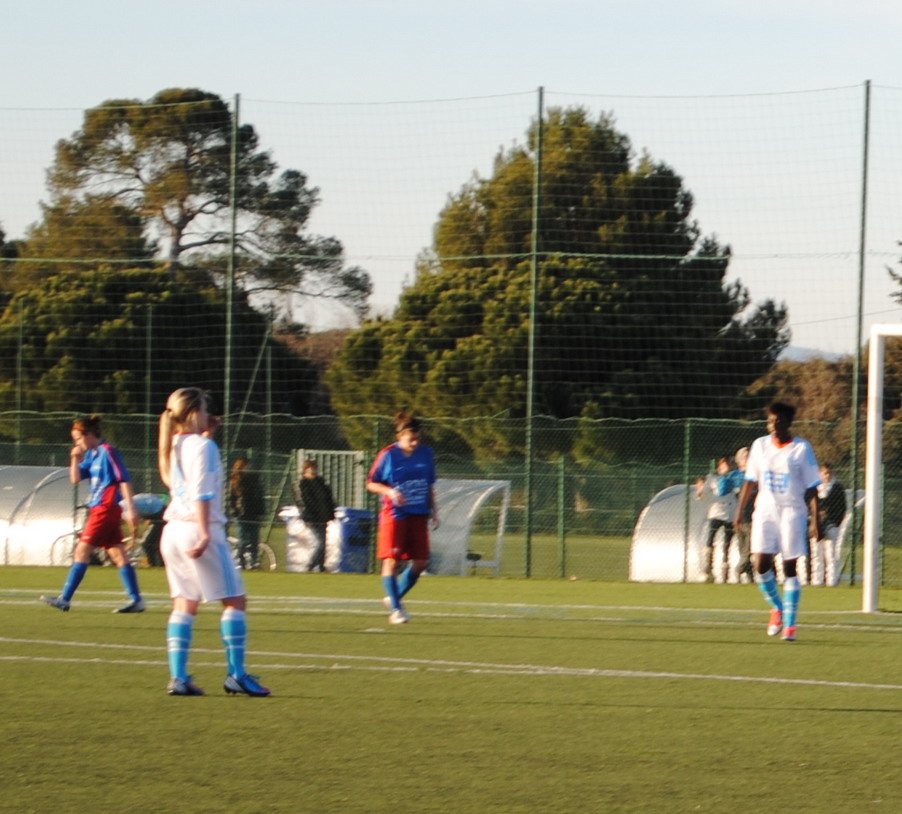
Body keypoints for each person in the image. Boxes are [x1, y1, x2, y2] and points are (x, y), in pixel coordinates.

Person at [158, 387, 270, 697]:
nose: (210, 414)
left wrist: (207, 434)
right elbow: (202, 493)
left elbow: (180, 481)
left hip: (172, 532)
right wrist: (207, 533)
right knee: (235, 600)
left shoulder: (175, 442)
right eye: (206, 409)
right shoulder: (203, 447)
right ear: (194, 412)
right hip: (198, 529)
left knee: (184, 604)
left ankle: (178, 678)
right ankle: (237, 674)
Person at [735, 402, 823, 642]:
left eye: (778, 421)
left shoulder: (801, 449)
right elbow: (750, 481)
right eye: (770, 421)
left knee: (789, 567)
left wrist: (816, 520)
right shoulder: (759, 446)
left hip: (792, 510)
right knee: (760, 564)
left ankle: (791, 627)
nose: (773, 425)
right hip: (764, 509)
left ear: (788, 423)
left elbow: (813, 488)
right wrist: (739, 512)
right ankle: (778, 608)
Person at [41, 415, 144, 613]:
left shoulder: (107, 451)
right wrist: (74, 457)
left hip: (105, 509)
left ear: (89, 434)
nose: (77, 442)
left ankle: (65, 599)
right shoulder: (92, 455)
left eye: (78, 438)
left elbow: (124, 479)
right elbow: (75, 478)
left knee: (82, 551)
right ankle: (137, 600)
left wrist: (131, 508)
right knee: (118, 553)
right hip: (101, 510)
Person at [367, 412, 439, 624]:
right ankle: (396, 610)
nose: (415, 442)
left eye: (418, 437)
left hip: (419, 514)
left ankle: (394, 597)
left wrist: (435, 510)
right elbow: (371, 483)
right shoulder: (388, 455)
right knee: (392, 561)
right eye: (411, 438)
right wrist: (389, 492)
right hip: (395, 515)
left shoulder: (426, 454)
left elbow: (429, 485)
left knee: (421, 562)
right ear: (400, 436)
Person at [695, 456, 743, 583]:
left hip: (731, 513)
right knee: (710, 540)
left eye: (728, 465)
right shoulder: (712, 478)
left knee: (727, 542)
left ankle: (725, 570)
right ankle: (707, 568)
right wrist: (699, 490)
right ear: (719, 466)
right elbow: (703, 493)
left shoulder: (735, 477)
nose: (726, 467)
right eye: (723, 465)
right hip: (716, 513)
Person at [809, 464, 848, 587]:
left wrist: (835, 522)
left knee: (831, 554)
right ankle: (817, 580)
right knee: (816, 554)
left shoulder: (837, 488)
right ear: (820, 473)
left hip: (831, 524)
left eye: (829, 473)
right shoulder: (815, 488)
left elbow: (842, 507)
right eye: (825, 473)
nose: (827, 476)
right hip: (817, 525)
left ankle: (832, 581)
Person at [228, 457, 267, 570]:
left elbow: (259, 497)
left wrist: (261, 511)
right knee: (243, 539)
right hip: (242, 514)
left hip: (254, 513)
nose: (249, 468)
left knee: (254, 539)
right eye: (246, 466)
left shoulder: (254, 479)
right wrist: (235, 511)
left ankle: (254, 561)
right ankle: (241, 561)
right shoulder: (235, 480)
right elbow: (231, 499)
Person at [298, 459, 336, 572]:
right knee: (320, 542)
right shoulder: (303, 484)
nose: (313, 472)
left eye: (314, 469)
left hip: (323, 517)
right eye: (310, 470)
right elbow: (307, 501)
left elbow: (328, 500)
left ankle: (320, 566)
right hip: (312, 517)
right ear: (305, 471)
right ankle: (311, 564)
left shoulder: (321, 483)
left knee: (323, 542)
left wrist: (330, 515)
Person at [732, 447, 756, 583]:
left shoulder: (755, 476)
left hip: (753, 518)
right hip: (739, 518)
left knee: (749, 549)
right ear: (739, 460)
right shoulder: (735, 477)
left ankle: (739, 570)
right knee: (743, 550)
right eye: (746, 456)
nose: (749, 459)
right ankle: (748, 577)